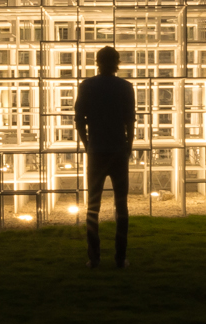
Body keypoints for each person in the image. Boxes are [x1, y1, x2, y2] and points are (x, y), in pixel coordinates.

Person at [71, 44, 136, 268]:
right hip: (118, 150)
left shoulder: (87, 86)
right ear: (117, 63)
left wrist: (87, 143)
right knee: (122, 205)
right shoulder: (125, 87)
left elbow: (79, 119)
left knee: (93, 206)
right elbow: (130, 121)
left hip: (96, 151)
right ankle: (120, 258)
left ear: (97, 62)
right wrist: (129, 145)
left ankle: (94, 258)